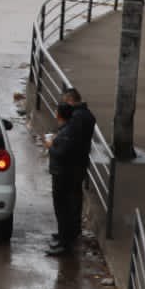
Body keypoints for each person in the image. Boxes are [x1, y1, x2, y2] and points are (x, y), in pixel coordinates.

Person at [45, 102, 88, 256]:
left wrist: (51, 145)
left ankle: (64, 243)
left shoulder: (67, 132)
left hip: (62, 176)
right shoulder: (67, 130)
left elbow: (61, 153)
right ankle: (63, 238)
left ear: (59, 115)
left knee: (62, 209)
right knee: (63, 209)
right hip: (63, 174)